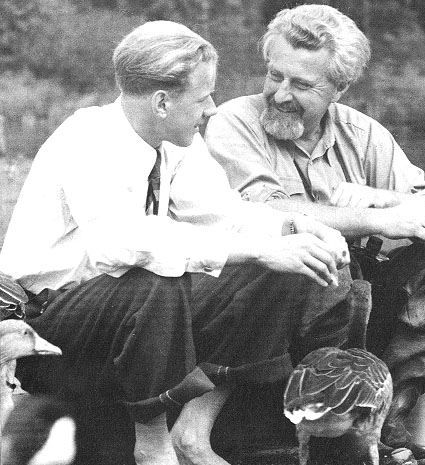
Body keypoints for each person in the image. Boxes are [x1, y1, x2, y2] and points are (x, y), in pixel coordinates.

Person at [0, 20, 353, 465]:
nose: (213, 109)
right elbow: (120, 242)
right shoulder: (87, 138)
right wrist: (261, 249)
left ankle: (193, 433)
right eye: (203, 97)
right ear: (162, 102)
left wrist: (293, 229)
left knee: (281, 268)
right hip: (45, 325)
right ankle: (152, 447)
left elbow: (223, 212)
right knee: (155, 279)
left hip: (123, 315)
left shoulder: (176, 142)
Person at [205, 4, 425, 452]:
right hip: (264, 303)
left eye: (302, 84)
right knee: (322, 255)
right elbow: (265, 211)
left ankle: (386, 417)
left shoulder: (363, 133)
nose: (280, 94)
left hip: (353, 300)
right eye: (275, 75)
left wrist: (391, 200)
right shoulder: (233, 121)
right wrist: (375, 219)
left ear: (339, 88)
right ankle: (324, 422)